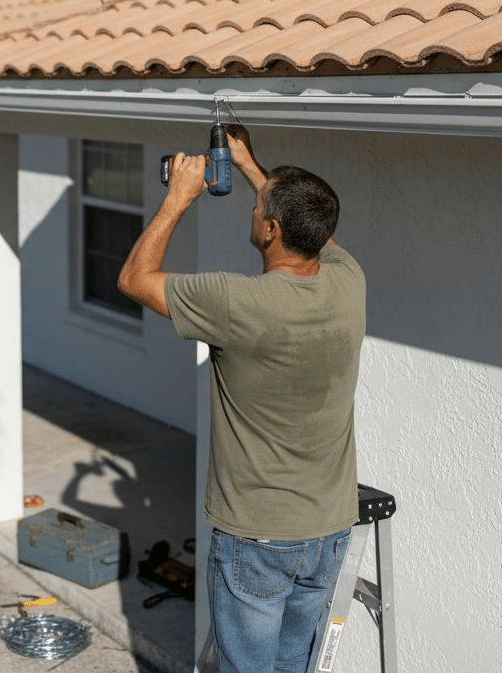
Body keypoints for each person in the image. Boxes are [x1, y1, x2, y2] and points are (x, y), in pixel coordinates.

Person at [116, 125, 365, 673]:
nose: (254, 212)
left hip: (258, 535)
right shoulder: (350, 281)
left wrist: (177, 198)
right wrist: (252, 167)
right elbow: (308, 231)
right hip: (327, 528)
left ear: (270, 228)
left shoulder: (234, 301)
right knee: (289, 667)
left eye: (260, 209)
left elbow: (135, 279)